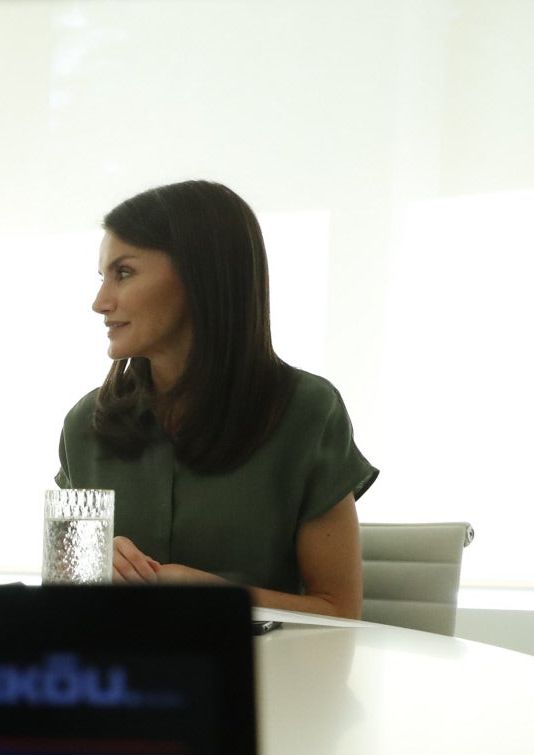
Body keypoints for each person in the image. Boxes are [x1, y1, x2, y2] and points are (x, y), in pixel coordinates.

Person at [57, 180, 377, 616]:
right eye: (103, 278)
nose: (100, 302)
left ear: (200, 275)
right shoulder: (83, 424)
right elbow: (63, 598)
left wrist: (212, 596)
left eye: (124, 273)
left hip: (269, 661)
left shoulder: (308, 412)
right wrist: (89, 567)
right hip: (120, 660)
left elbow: (339, 611)